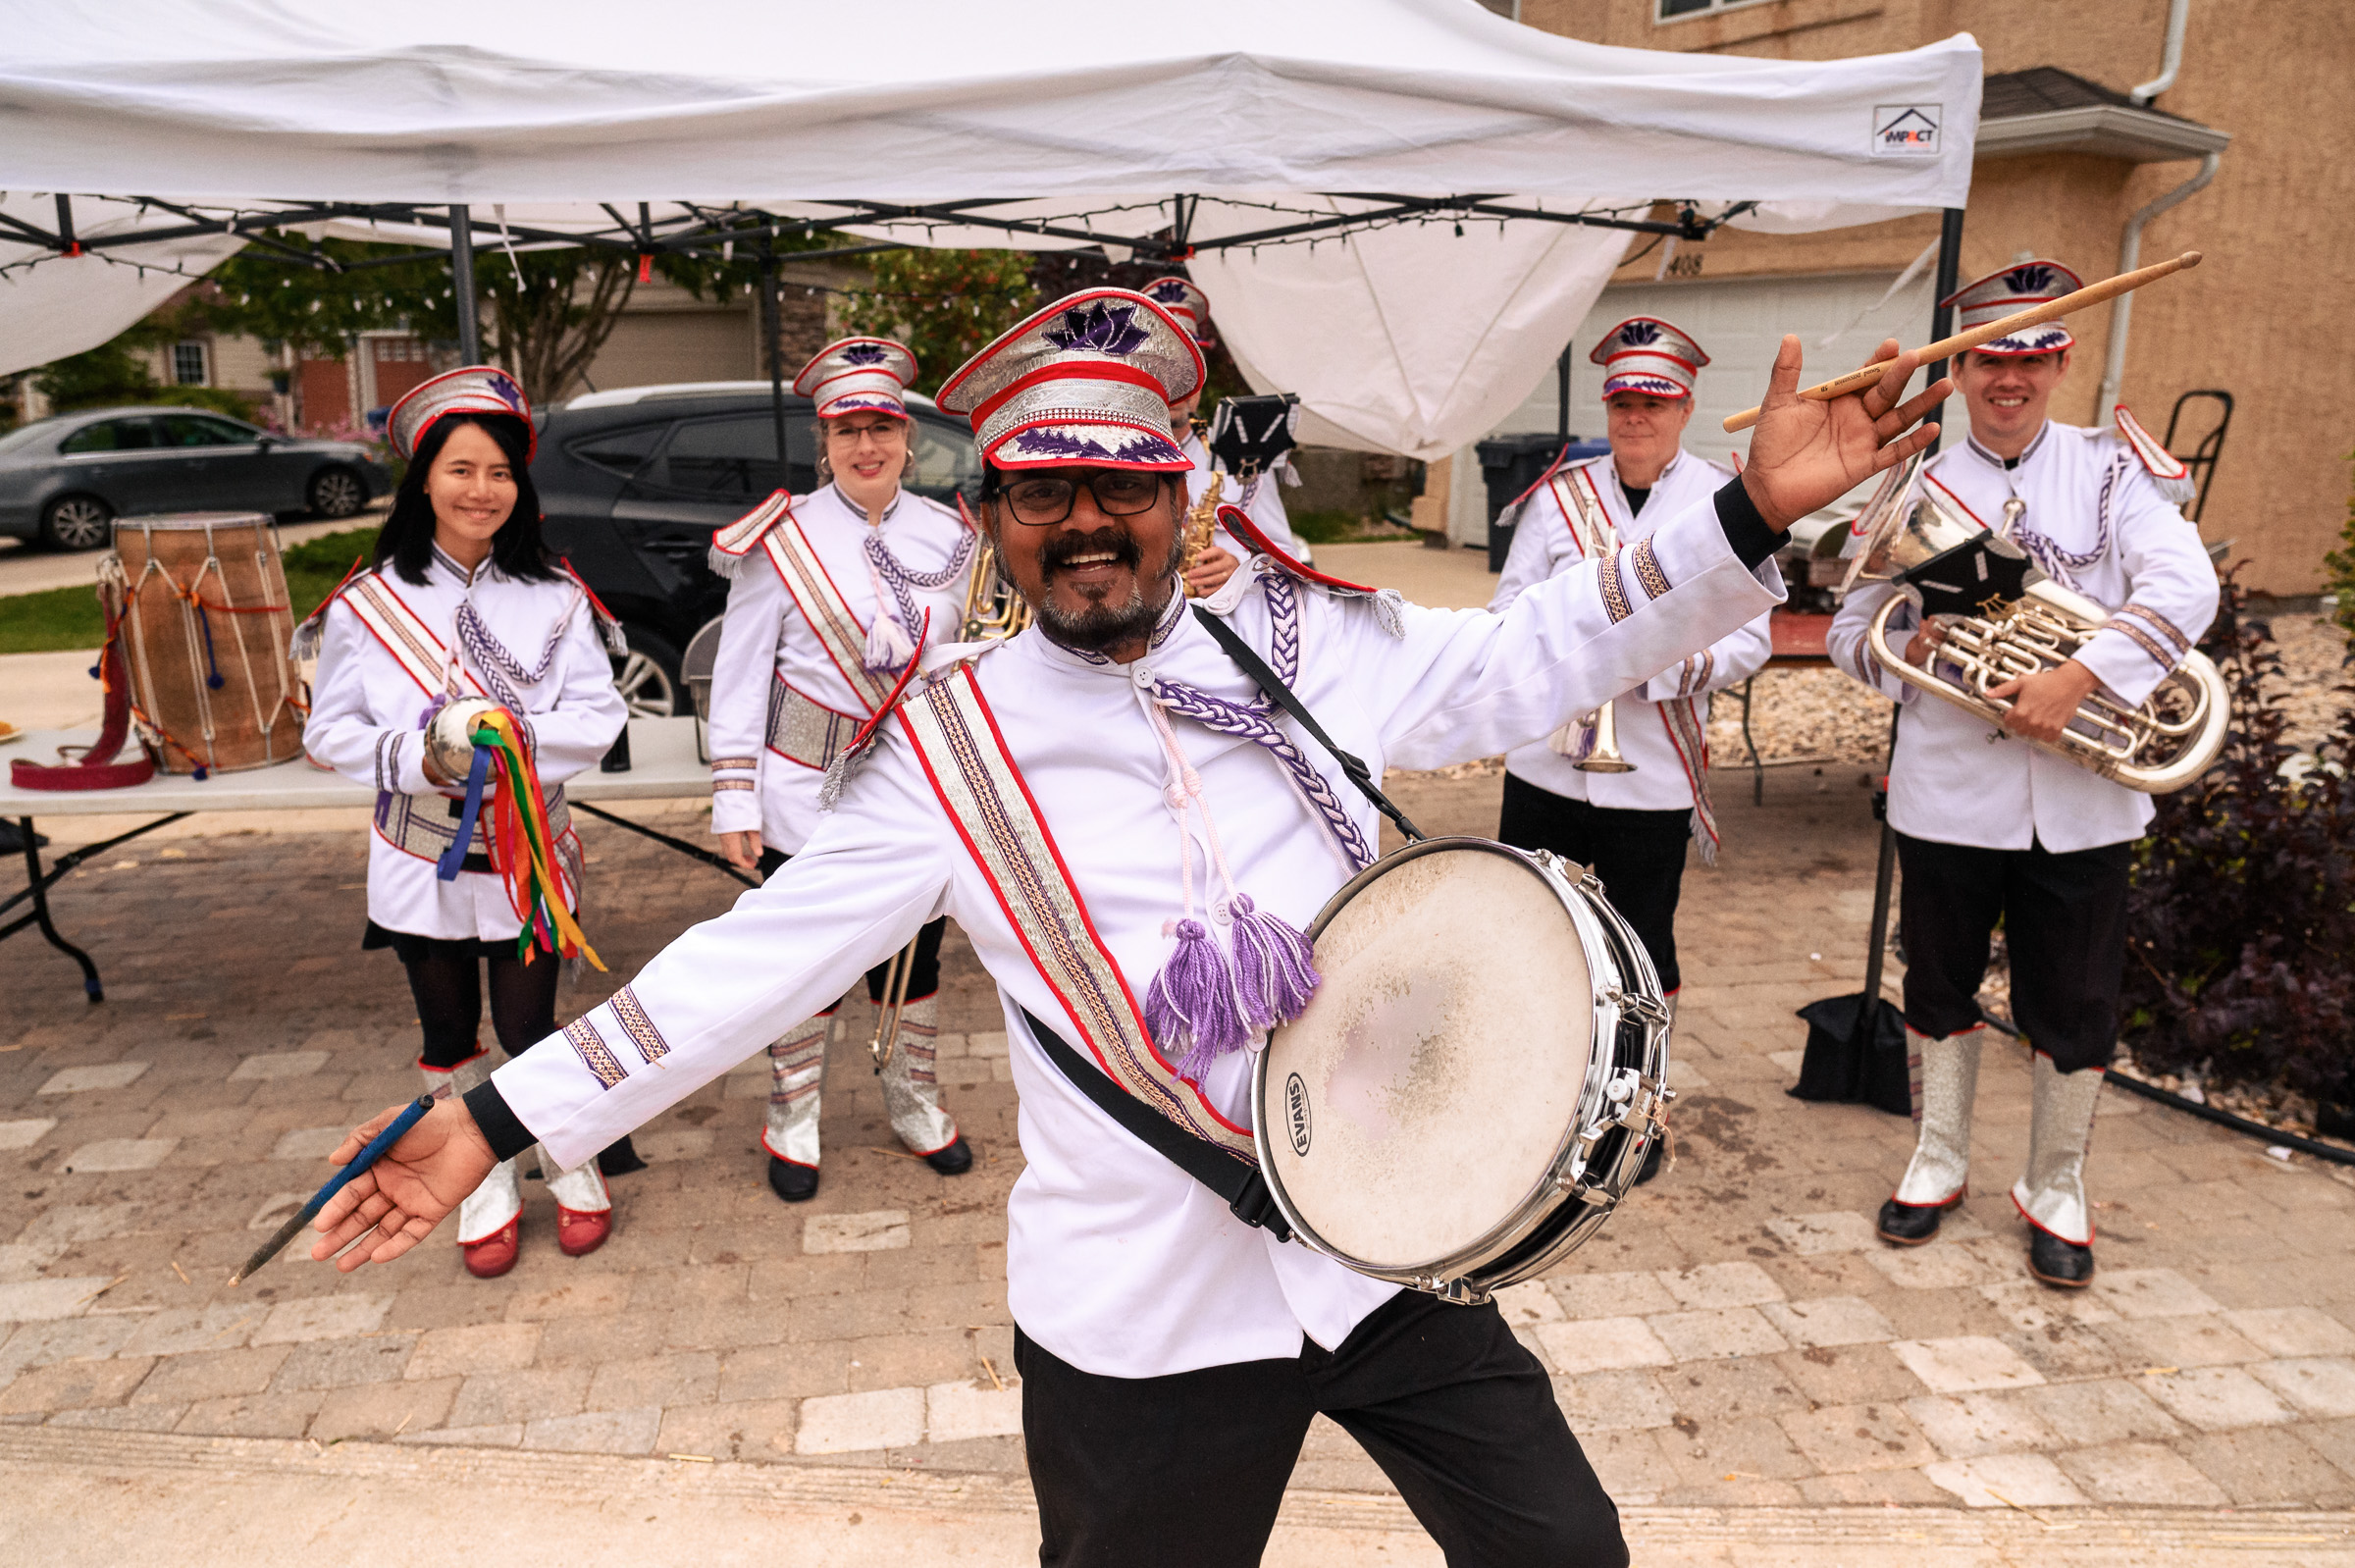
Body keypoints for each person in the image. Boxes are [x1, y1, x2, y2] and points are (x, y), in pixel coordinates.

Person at [312, 288, 1947, 1566]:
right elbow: (744, 973)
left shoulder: (1303, 640)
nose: (1086, 523)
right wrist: (496, 1116)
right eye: (1044, 494)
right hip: (1145, 1310)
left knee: (1565, 1546)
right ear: (996, 518)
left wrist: (1743, 518)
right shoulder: (947, 748)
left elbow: (1538, 649)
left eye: (1124, 485)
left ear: (1180, 495)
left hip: (1377, 1240)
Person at [1826, 258, 2220, 1288]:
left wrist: (2080, 674)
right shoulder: (1914, 484)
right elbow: (1847, 633)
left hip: (2084, 801)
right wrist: (1921, 648)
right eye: (1993, 354)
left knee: (2077, 1003)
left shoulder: (2112, 469)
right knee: (1940, 979)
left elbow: (2187, 583)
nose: (2011, 376)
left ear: (2062, 360)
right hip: (1949, 788)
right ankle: (1938, 1156)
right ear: (1963, 367)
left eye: (2033, 355)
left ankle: (2057, 1186)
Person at [301, 366, 629, 1279]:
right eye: (460, 469)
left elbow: (599, 721)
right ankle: (476, 1176)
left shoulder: (559, 596)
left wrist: (512, 739)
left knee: (532, 1033)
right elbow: (328, 732)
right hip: (419, 858)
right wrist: (430, 753)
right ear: (423, 483)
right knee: (449, 1036)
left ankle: (568, 1153)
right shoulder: (367, 605)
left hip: (530, 856)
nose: (481, 490)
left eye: (499, 472)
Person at [704, 337, 974, 1202]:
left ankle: (913, 1101)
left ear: (907, 436)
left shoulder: (952, 535)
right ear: (825, 439)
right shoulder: (779, 539)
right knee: (806, 961)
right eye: (849, 429)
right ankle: (791, 1119)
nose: (868, 447)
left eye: (882, 428)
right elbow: (740, 676)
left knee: (916, 957)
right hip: (801, 790)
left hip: (915, 789)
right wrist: (733, 796)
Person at [1492, 317, 1773, 1056]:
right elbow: (1504, 615)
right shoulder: (1558, 498)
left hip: (1652, 772)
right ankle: (1533, 1086)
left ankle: (1631, 1105)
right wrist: (1566, 658)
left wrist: (1662, 665)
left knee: (1643, 943)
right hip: (1545, 768)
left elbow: (1752, 638)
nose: (1636, 418)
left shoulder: (1724, 499)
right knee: (1528, 927)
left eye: (1655, 403)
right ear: (1608, 409)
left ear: (1685, 408)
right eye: (1623, 405)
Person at [1143, 276, 1305, 584]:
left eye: (1189, 371)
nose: (1178, 385)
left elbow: (1288, 559)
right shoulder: (1109, 452)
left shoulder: (1243, 447)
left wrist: (1241, 569)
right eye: (1161, 370)